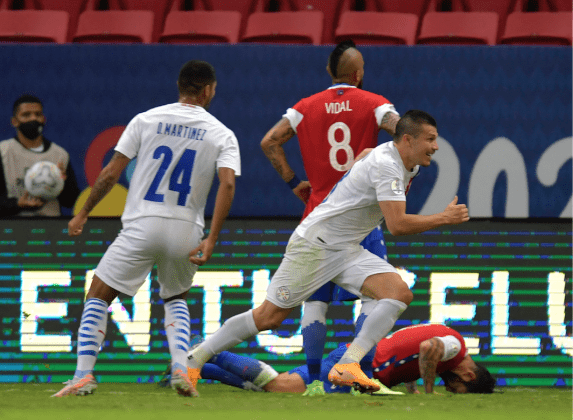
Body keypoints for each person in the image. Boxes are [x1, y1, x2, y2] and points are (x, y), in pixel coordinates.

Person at [187, 110, 470, 395]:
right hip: (315, 246)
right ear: (408, 140)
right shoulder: (387, 164)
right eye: (430, 139)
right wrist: (444, 218)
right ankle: (193, 359)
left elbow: (366, 156)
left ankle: (348, 364)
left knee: (398, 292)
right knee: (268, 317)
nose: (435, 146)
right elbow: (396, 225)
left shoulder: (400, 160)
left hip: (345, 248)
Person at [52, 60, 240, 398]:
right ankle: (181, 369)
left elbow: (111, 172)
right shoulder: (221, 133)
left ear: (180, 86)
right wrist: (211, 237)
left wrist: (83, 212)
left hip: (142, 223)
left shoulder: (146, 119)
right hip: (187, 228)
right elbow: (227, 185)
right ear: (208, 90)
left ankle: (83, 375)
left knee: (98, 294)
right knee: (176, 297)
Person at [260, 39, 401, 395]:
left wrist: (294, 182)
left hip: (318, 215)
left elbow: (269, 142)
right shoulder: (374, 103)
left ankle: (312, 382)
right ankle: (362, 375)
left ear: (329, 72)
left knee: (315, 301)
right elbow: (402, 131)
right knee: (376, 297)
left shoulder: (304, 107)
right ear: (358, 74)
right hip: (360, 219)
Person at [197, 321, 496, 395]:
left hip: (358, 360)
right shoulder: (455, 346)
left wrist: (412, 384)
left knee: (272, 389)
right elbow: (428, 349)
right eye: (456, 389)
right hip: (358, 365)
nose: (449, 388)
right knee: (281, 386)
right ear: (468, 376)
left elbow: (409, 352)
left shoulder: (450, 348)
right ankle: (203, 350)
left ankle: (202, 370)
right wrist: (427, 392)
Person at [0, 94, 81, 217]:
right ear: (14, 121)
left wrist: (62, 184)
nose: (33, 119)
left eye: (38, 114)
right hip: (11, 229)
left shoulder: (60, 155)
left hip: (50, 228)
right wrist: (16, 204)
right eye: (26, 115)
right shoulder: (0, 153)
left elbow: (71, 202)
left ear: (44, 119)